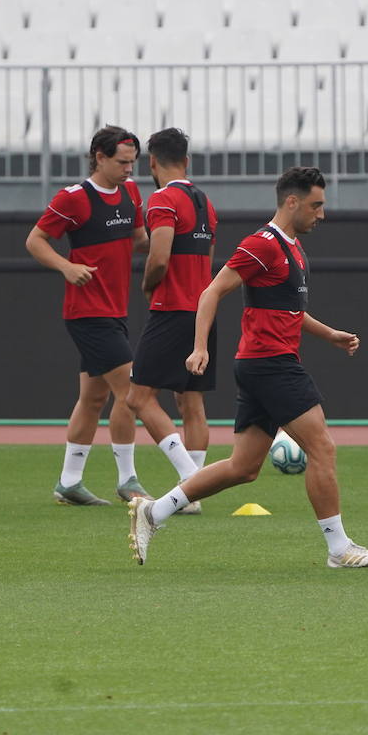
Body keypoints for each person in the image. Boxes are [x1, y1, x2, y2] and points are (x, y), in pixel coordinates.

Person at [128, 167, 368, 569]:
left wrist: (330, 334)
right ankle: (339, 549)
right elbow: (212, 291)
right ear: (291, 202)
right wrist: (200, 347)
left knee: (243, 467)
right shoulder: (262, 244)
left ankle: (155, 512)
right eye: (316, 205)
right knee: (321, 447)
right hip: (270, 364)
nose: (322, 214)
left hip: (264, 364)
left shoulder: (294, 249)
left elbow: (290, 311)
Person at [26, 125, 151, 506]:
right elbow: (35, 240)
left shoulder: (130, 192)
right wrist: (66, 266)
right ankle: (128, 480)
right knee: (129, 394)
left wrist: (172, 239)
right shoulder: (73, 198)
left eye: (133, 162)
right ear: (99, 156)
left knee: (93, 398)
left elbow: (141, 241)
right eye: (122, 162)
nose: (130, 170)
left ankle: (68, 482)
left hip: (115, 309)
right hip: (88, 312)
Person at [124, 128, 216, 515]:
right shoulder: (205, 201)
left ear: (152, 162)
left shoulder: (163, 199)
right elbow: (208, 257)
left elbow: (158, 257)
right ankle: (197, 486)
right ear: (188, 161)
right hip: (202, 312)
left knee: (138, 397)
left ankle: (188, 483)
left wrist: (148, 286)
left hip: (172, 309)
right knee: (190, 401)